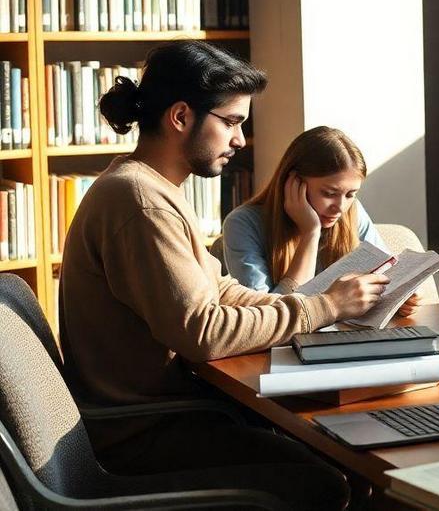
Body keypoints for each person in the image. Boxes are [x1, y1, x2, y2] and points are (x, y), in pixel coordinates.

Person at [59, 40, 385, 510]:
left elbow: (222, 291)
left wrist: (307, 306)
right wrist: (325, 307)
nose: (239, 140)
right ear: (180, 117)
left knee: (347, 453)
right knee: (334, 478)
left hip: (170, 416)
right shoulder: (141, 202)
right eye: (231, 122)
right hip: (149, 433)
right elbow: (203, 333)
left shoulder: (151, 189)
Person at [221, 126, 432, 315]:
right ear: (293, 183)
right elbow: (264, 316)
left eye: (350, 194)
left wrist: (400, 300)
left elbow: (386, 278)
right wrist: (310, 233)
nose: (340, 207)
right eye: (329, 192)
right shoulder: (242, 224)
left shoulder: (352, 212)